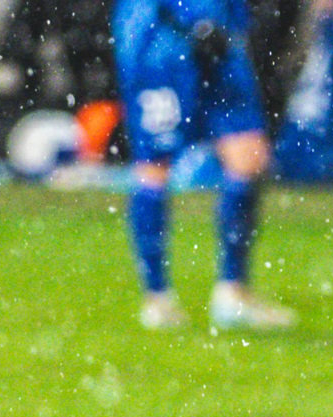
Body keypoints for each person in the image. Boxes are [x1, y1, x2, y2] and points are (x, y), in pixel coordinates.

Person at [113, 0, 297, 330]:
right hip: (160, 39)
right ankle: (157, 298)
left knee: (249, 155)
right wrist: (189, 17)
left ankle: (232, 293)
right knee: (156, 162)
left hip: (220, 38)